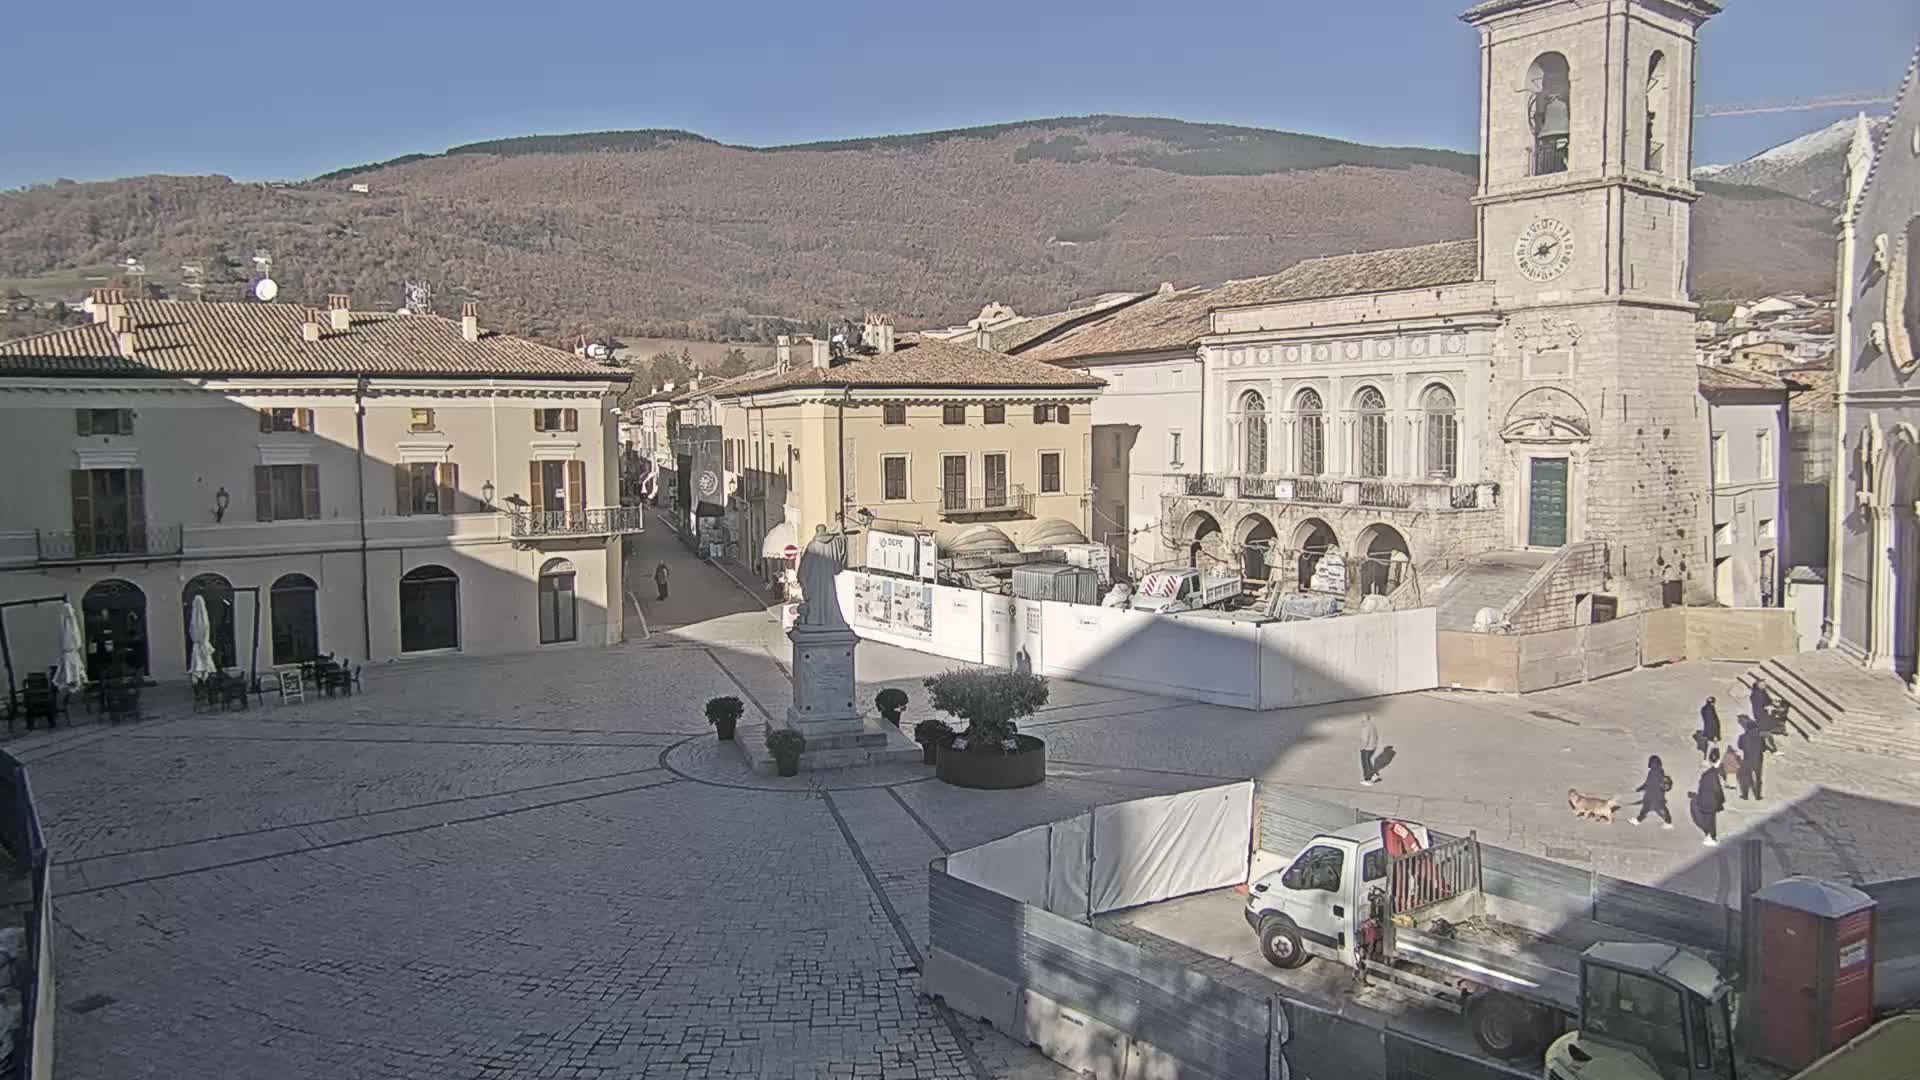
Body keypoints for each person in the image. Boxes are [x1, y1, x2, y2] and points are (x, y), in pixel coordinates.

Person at [1692, 749, 1726, 847]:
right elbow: (1717, 790)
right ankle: (1710, 838)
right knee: (1711, 820)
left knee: (1708, 819)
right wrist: (1721, 800)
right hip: (1710, 801)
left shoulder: (1707, 774)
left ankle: (1710, 836)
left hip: (1704, 800)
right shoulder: (1713, 775)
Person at [1736, 716, 1774, 801]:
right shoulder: (1760, 737)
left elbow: (1740, 746)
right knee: (1758, 778)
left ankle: (1745, 795)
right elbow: (1764, 749)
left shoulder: (1742, 737)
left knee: (1746, 777)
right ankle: (1758, 795)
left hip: (1747, 760)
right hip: (1758, 760)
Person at [1631, 754, 1674, 828]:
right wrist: (1641, 788)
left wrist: (1641, 788)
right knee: (1657, 809)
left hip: (1653, 796)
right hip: (1656, 797)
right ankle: (1637, 821)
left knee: (1648, 809)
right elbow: (1649, 783)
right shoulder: (1659, 772)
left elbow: (1648, 783)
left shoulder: (1653, 772)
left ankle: (1668, 823)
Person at [1696, 695, 1722, 764]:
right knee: (1711, 748)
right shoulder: (1709, 709)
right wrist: (1715, 735)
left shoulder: (1705, 708)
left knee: (1710, 747)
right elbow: (1712, 722)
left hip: (1709, 731)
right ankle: (1710, 761)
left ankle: (1708, 760)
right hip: (1712, 733)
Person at [1360, 715, 1381, 785]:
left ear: (1364, 719)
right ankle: (1374, 775)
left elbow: (1365, 739)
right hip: (1373, 747)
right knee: (1368, 761)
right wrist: (1375, 745)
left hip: (1367, 748)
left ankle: (1368, 780)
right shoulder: (1372, 725)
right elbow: (1377, 736)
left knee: (1365, 764)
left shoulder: (1365, 727)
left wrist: (1362, 748)